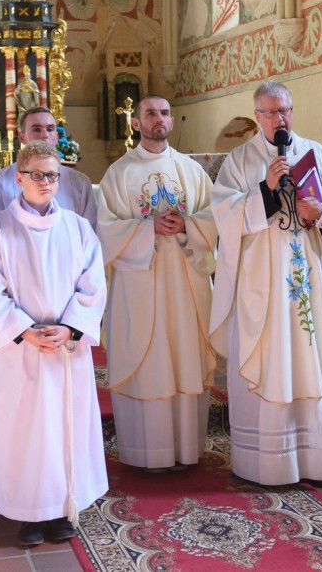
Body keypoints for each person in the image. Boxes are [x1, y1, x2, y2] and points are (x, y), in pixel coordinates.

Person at [210, 80, 322, 487]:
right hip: (263, 285)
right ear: (257, 116)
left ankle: (308, 460)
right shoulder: (241, 159)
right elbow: (224, 213)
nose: (280, 119)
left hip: (307, 278)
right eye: (271, 112)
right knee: (270, 357)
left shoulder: (316, 154)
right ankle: (265, 465)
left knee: (304, 359)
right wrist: (267, 191)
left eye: (285, 110)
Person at [0, 141, 108, 547]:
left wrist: (70, 328)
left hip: (65, 351)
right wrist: (24, 330)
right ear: (18, 178)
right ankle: (28, 514)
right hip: (21, 352)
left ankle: (62, 510)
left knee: (64, 430)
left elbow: (93, 286)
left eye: (52, 175)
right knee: (27, 433)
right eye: (36, 174)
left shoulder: (77, 227)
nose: (45, 182)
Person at [97, 95, 218, 472]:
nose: (159, 119)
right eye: (150, 114)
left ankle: (186, 449)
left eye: (164, 113)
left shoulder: (191, 171)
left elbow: (214, 217)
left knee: (184, 354)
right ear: (136, 123)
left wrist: (187, 226)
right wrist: (147, 228)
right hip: (140, 285)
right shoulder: (117, 173)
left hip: (184, 283)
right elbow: (105, 231)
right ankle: (145, 453)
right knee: (148, 359)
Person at [0, 107, 97, 229]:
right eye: (36, 129)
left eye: (50, 129)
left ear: (56, 137)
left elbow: (90, 231)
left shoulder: (79, 182)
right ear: (22, 137)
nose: (44, 135)